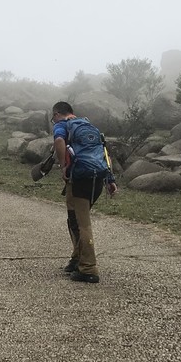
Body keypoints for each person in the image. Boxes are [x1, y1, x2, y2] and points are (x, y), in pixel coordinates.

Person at [51, 102, 117, 284]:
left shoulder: (61, 125)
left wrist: (64, 166)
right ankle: (77, 258)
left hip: (80, 178)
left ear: (57, 114)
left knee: (83, 224)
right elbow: (103, 151)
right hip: (97, 179)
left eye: (53, 118)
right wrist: (110, 179)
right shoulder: (89, 125)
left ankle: (88, 268)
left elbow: (58, 141)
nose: (53, 121)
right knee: (73, 217)